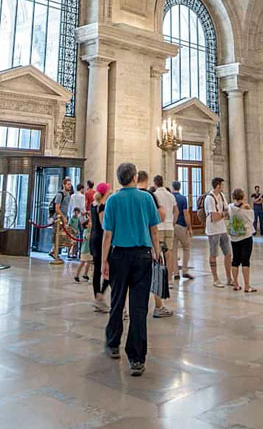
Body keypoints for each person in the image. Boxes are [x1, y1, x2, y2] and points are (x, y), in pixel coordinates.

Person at [101, 161, 161, 377]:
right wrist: (157, 252)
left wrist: (104, 261)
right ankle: (136, 358)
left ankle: (113, 343)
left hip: (118, 256)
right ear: (134, 177)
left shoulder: (113, 200)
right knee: (139, 308)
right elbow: (154, 230)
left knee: (117, 301)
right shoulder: (146, 198)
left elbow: (108, 234)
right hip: (143, 255)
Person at [137, 170, 173, 317]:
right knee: (154, 274)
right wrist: (156, 249)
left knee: (127, 279)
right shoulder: (149, 196)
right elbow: (156, 222)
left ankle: (124, 310)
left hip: (128, 244)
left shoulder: (119, 195)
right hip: (147, 242)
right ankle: (158, 306)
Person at [204, 177, 233, 288]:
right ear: (217, 185)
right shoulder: (209, 199)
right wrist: (222, 214)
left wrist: (221, 214)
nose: (223, 187)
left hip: (222, 229)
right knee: (213, 254)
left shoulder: (222, 196)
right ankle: (215, 279)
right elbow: (214, 217)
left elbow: (227, 211)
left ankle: (229, 278)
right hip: (213, 230)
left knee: (228, 253)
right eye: (222, 185)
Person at [152, 175, 178, 292]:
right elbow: (176, 211)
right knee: (169, 253)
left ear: (155, 183)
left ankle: (158, 279)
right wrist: (172, 222)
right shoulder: (170, 195)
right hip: (169, 226)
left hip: (159, 226)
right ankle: (169, 280)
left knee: (158, 253)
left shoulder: (155, 195)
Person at [228, 188, 256, 292]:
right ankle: (247, 286)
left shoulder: (230, 207)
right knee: (245, 261)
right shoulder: (246, 207)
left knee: (235, 260)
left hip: (234, 236)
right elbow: (251, 219)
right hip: (245, 236)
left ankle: (235, 284)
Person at [90, 182, 111, 311]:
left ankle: (97, 296)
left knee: (97, 270)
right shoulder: (102, 207)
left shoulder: (93, 205)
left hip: (93, 237)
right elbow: (104, 225)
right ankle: (100, 295)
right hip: (100, 240)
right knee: (107, 269)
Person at [171, 180, 193, 279]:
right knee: (186, 247)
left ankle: (175, 272)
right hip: (181, 225)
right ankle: (184, 270)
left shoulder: (169, 197)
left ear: (172, 187)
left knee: (174, 250)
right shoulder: (183, 198)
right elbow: (186, 213)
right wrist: (189, 227)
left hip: (171, 226)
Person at [51, 177, 73, 258]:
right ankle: (54, 251)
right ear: (64, 185)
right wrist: (63, 217)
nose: (69, 186)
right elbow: (57, 208)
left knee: (61, 235)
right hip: (58, 218)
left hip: (64, 217)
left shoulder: (68, 195)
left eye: (70, 184)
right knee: (56, 234)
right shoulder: (60, 195)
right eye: (68, 184)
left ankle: (54, 251)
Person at [75, 211, 92, 281]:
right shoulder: (86, 231)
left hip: (89, 250)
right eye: (89, 223)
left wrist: (89, 215)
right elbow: (86, 237)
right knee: (82, 263)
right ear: (87, 225)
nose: (91, 223)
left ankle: (85, 274)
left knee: (89, 262)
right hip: (85, 250)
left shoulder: (91, 229)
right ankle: (76, 275)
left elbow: (92, 221)